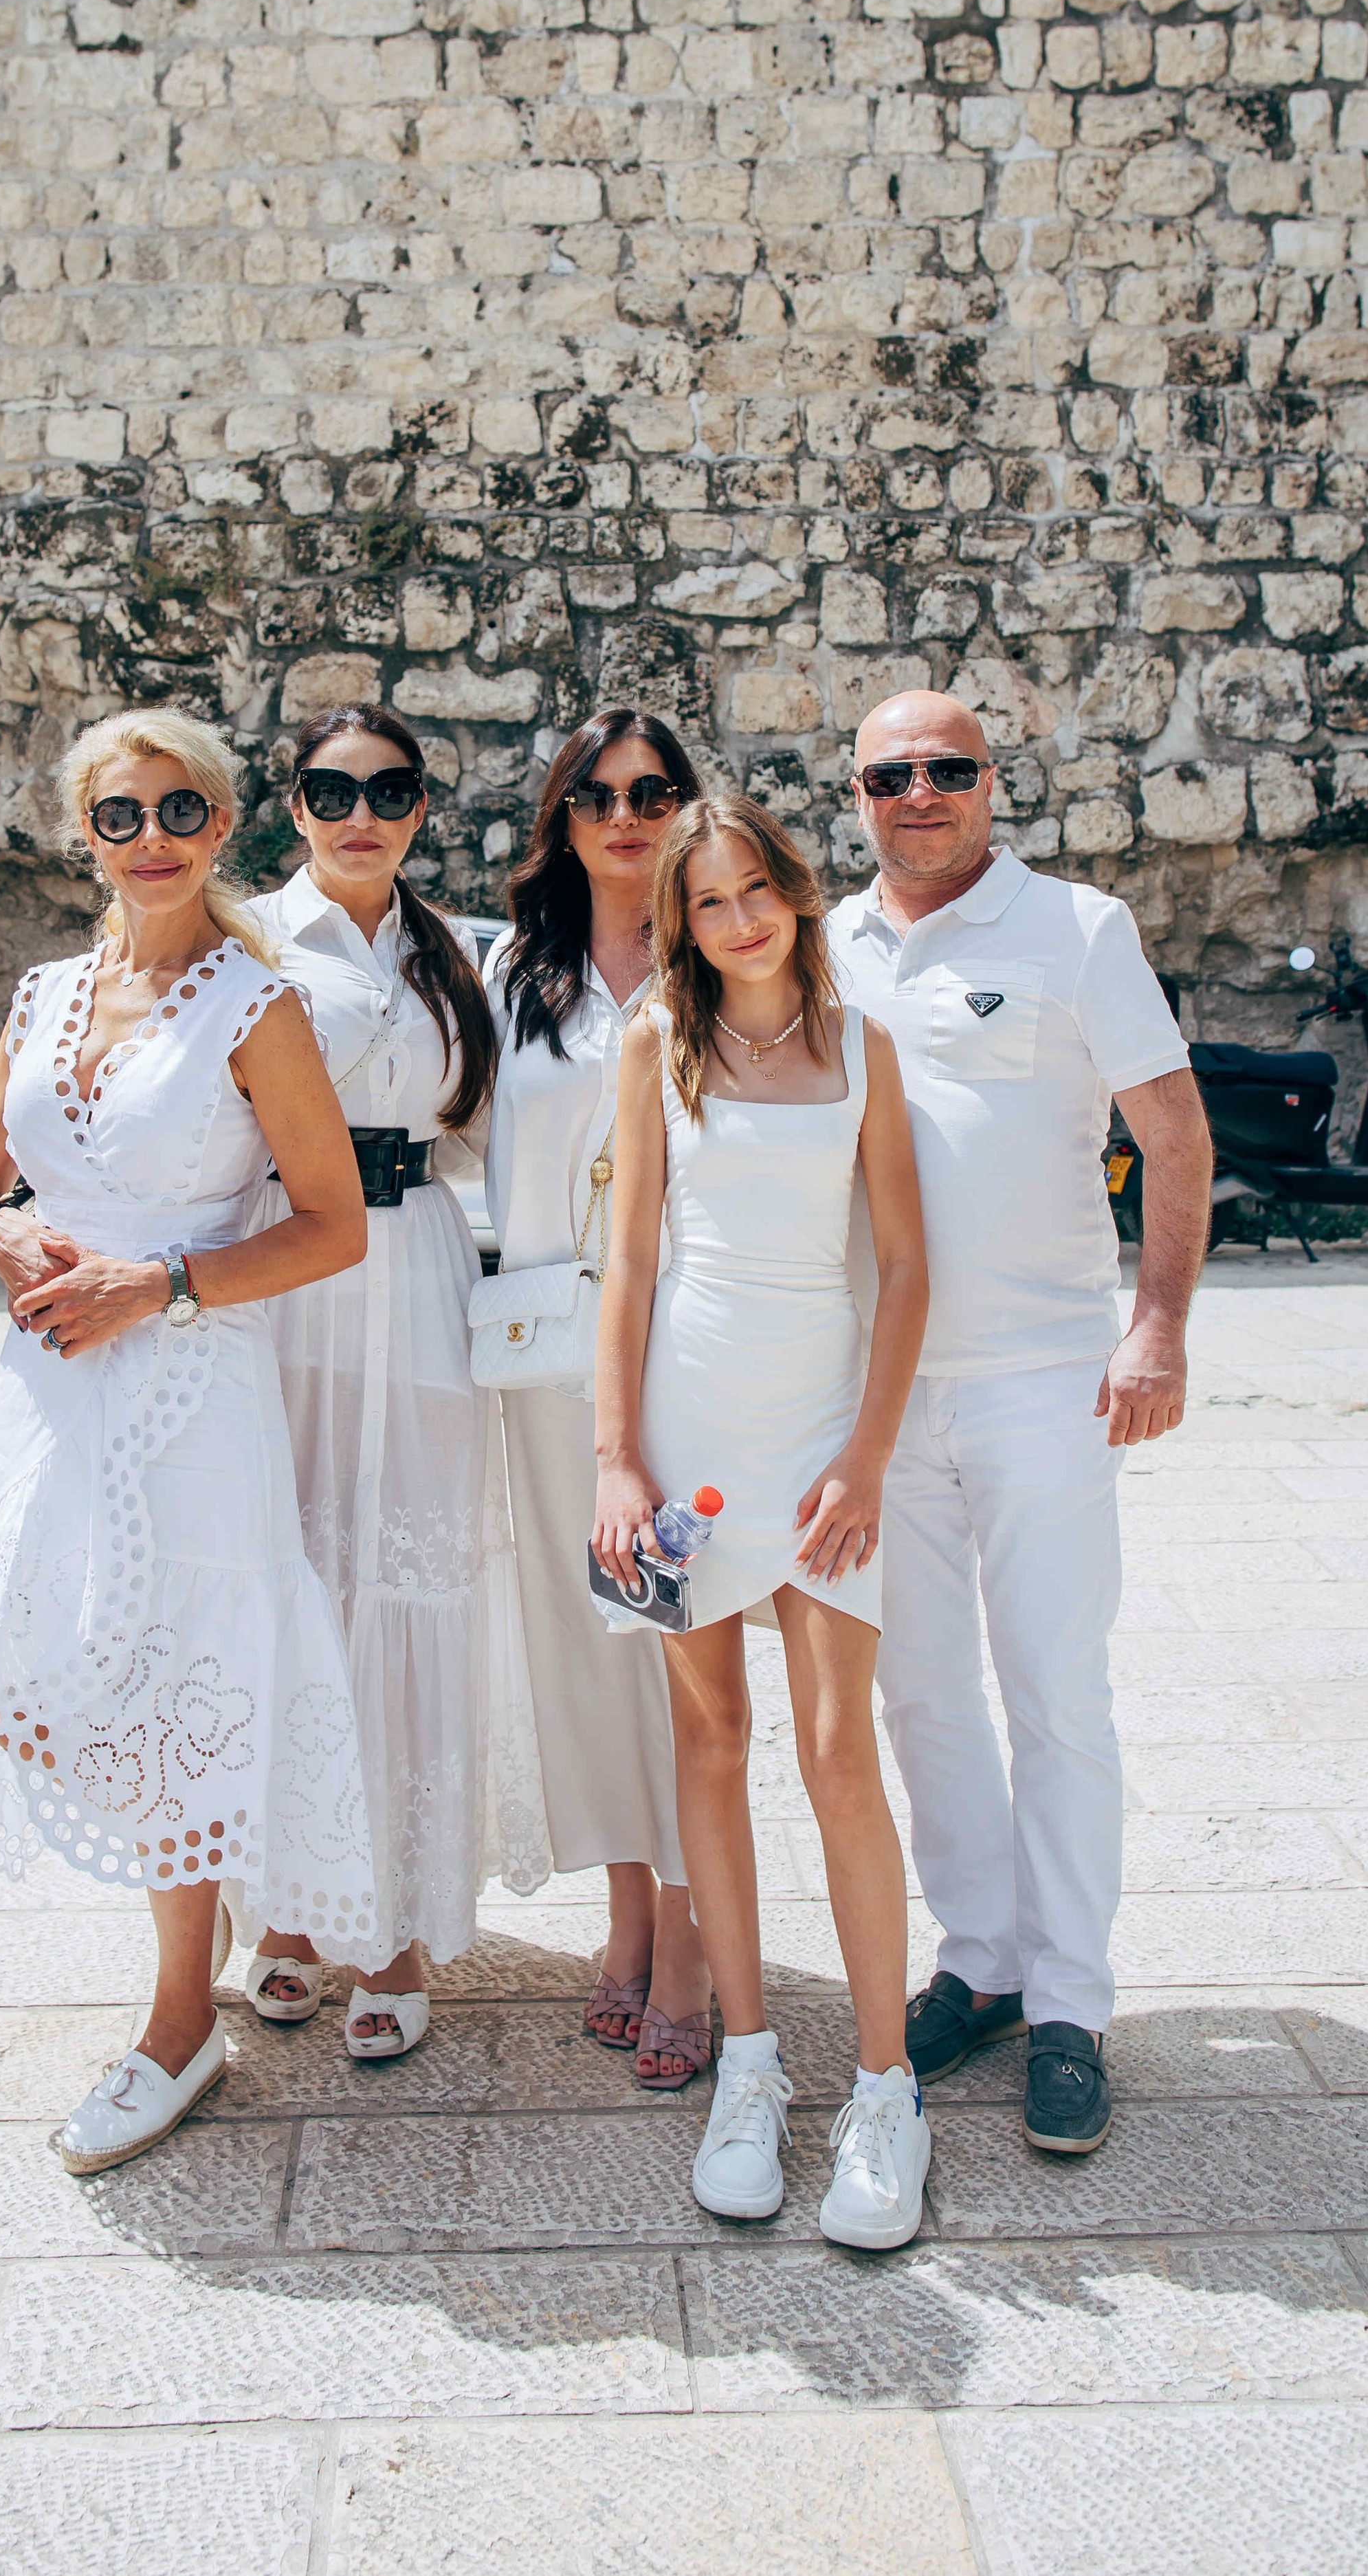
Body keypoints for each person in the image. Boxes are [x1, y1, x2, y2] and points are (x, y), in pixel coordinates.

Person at [0, 706, 379, 2177]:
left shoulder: (259, 1007)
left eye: (181, 813)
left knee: (172, 1673)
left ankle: (181, 2017)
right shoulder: (38, 994)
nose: (153, 841)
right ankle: (225, 1889)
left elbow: (331, 1225)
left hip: (189, 1385)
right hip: (51, 1384)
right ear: (85, 834)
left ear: (222, 828)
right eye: (121, 817)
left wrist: (159, 1282)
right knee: (32, 1673)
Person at [828, 687, 1212, 2155]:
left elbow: (1170, 1132)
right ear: (852, 790)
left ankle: (1070, 1999)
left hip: (1043, 1378)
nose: (919, 791)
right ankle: (978, 1959)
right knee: (918, 1689)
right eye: (890, 772)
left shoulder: (1077, 928)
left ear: (992, 782)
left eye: (947, 769)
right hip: (878, 1396)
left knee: (1054, 1686)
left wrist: (1156, 1324)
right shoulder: (822, 943)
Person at [593, 795, 932, 2246]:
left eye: (756, 892)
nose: (736, 921)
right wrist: (617, 1461)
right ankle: (747, 2064)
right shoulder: (653, 1044)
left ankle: (882, 2088)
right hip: (687, 1437)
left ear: (796, 894)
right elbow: (626, 1267)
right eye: (706, 902)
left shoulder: (864, 1048)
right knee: (711, 1743)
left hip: (820, 1440)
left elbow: (906, 1270)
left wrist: (865, 1454)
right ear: (681, 924)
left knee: (840, 1751)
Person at [245, 705, 551, 2059]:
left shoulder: (462, 959)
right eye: (330, 787)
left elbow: (503, 1135)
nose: (359, 809)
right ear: (292, 802)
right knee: (291, 1578)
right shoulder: (244, 938)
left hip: (418, 1273)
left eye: (388, 787)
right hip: (284, 1280)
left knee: (411, 1583)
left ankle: (402, 1922)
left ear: (423, 805)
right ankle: (289, 1912)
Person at [485, 709, 714, 2088]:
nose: (624, 815)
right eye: (596, 795)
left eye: (652, 790)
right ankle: (627, 1913)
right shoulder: (510, 968)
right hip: (547, 1364)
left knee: (670, 1642)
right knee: (585, 1645)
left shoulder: (727, 950)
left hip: (688, 1351)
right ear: (559, 818)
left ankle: (688, 1938)